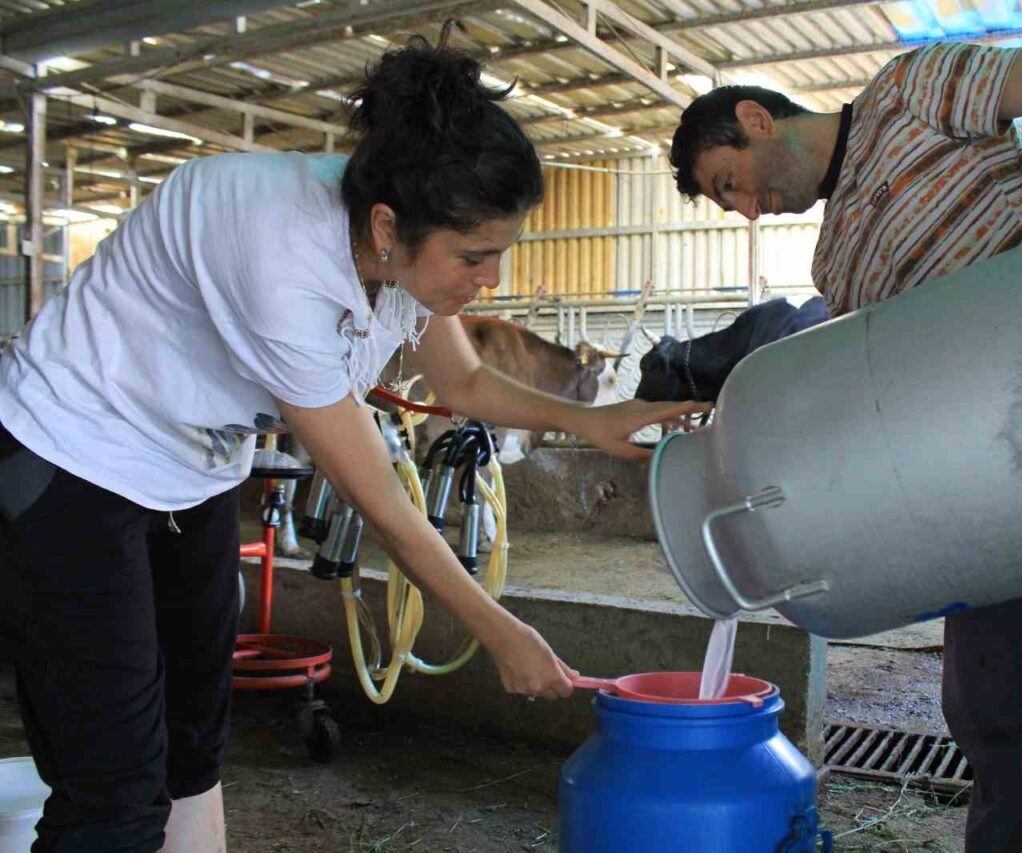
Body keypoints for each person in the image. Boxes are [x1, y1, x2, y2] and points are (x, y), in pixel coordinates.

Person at [0, 37, 704, 852]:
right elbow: (383, 502)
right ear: (385, 226)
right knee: (113, 785)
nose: (493, 278)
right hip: (68, 458)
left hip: (184, 472)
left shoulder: (400, 238)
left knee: (193, 743)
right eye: (476, 257)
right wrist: (498, 627)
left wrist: (596, 420)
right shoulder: (281, 258)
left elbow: (466, 384)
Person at [668, 43, 1022, 853]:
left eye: (731, 183)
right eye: (730, 205)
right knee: (991, 718)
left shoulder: (909, 91)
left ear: (756, 120)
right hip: (987, 488)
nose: (748, 208)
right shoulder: (836, 260)